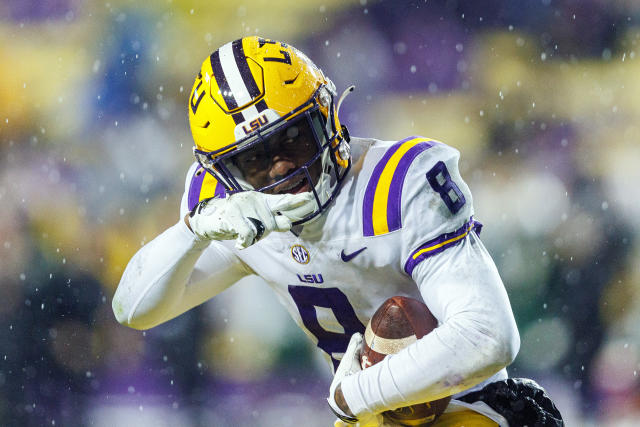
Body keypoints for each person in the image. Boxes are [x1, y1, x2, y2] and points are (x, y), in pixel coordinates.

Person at [112, 36, 563, 426]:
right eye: (254, 158)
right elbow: (135, 310)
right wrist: (192, 230)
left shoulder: (397, 184)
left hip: (463, 406)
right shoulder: (228, 208)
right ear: (225, 171)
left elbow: (488, 335)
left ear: (326, 116)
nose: (282, 165)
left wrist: (354, 395)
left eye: (293, 138)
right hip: (366, 417)